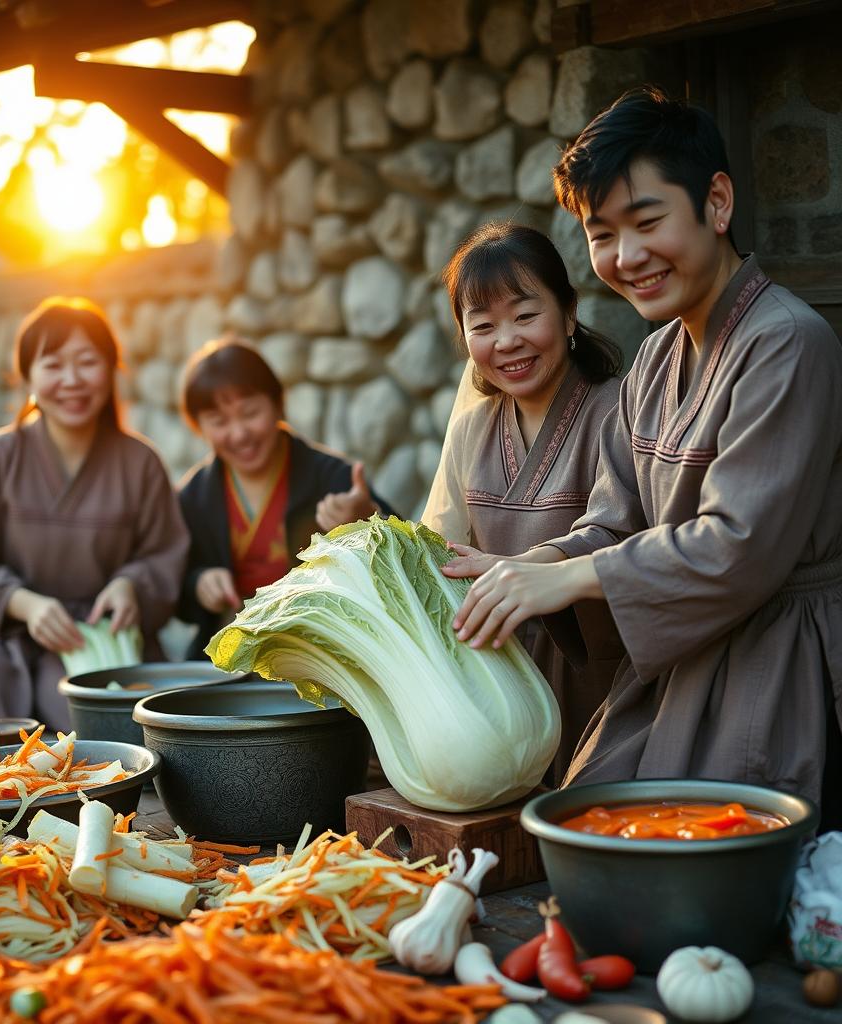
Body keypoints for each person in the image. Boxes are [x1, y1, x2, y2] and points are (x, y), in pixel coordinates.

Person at [449, 87, 842, 818]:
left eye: (647, 221)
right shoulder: (656, 357)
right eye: (602, 234)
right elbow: (614, 521)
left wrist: (570, 579)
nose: (626, 257)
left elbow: (738, 546)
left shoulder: (787, 342)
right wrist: (530, 566)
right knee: (585, 823)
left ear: (716, 203)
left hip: (776, 666)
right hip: (679, 660)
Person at [0, 297, 189, 731]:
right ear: (27, 375)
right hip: (3, 633)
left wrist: (131, 584)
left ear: (111, 370)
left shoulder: (140, 463)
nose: (72, 380)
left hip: (98, 637)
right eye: (52, 365)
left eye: (87, 362)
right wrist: (24, 604)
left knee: (106, 721)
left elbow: (164, 553)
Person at [426, 222, 625, 779]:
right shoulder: (471, 429)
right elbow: (440, 549)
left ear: (569, 312)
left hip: (603, 690)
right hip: (502, 691)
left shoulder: (619, 411)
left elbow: (632, 540)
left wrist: (531, 574)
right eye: (483, 325)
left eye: (525, 315)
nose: (506, 341)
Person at [177, 338, 395, 659]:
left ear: (279, 404)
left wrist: (367, 518)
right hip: (229, 658)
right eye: (219, 422)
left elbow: (400, 553)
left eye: (250, 413)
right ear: (199, 427)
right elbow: (175, 587)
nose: (239, 433)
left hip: (324, 652)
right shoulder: (194, 496)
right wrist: (198, 584)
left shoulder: (333, 477)